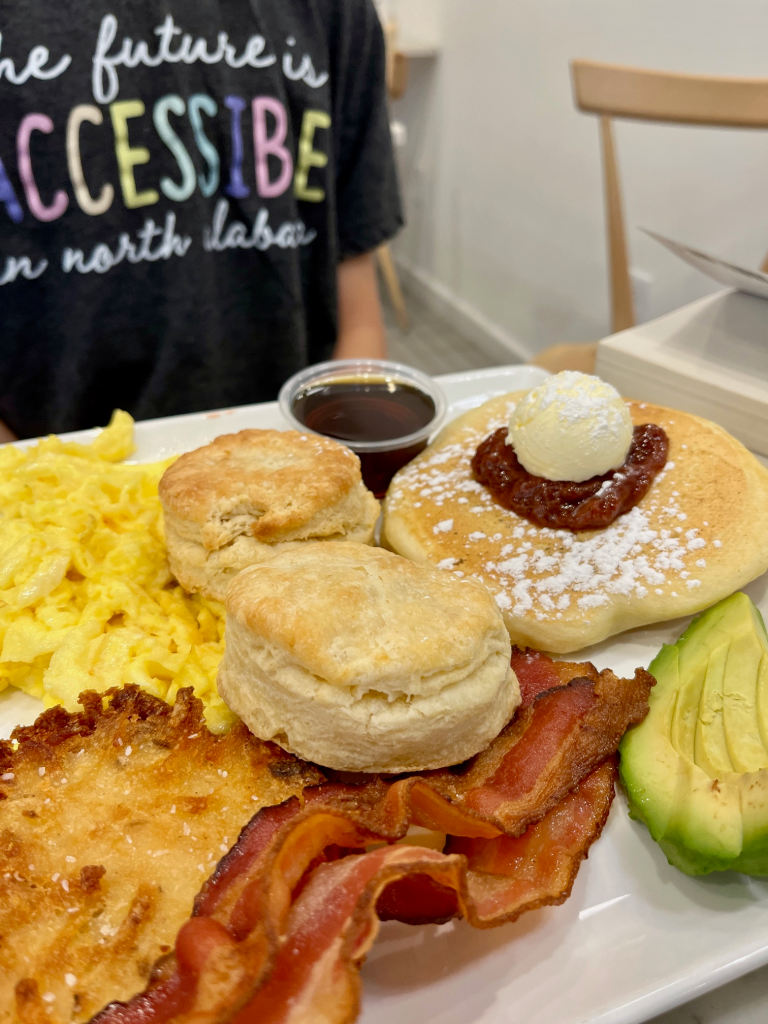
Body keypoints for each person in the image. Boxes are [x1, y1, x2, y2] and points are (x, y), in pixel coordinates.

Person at [0, 0, 402, 441]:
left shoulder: (335, 14)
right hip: (41, 483)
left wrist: (334, 466)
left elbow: (358, 314)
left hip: (296, 462)